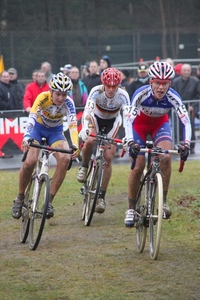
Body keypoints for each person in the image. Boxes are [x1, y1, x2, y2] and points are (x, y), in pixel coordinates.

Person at [123, 61, 191, 227]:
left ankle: (163, 201)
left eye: (165, 83)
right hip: (139, 126)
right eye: (158, 83)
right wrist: (131, 141)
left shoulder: (173, 96)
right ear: (150, 81)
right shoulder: (141, 93)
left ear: (170, 83)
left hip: (160, 125)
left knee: (166, 158)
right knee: (138, 167)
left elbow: (186, 122)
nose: (161, 88)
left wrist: (187, 144)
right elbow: (128, 119)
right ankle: (131, 208)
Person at [11, 72, 80, 220]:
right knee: (30, 161)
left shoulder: (69, 103)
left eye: (64, 94)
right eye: (58, 94)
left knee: (65, 158)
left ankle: (48, 201)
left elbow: (73, 126)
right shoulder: (42, 98)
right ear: (51, 91)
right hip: (37, 129)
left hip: (55, 132)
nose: (61, 98)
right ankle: (20, 198)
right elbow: (32, 118)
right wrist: (27, 136)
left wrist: (75, 145)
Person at [77, 67, 131, 214]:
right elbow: (87, 111)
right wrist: (84, 128)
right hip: (96, 119)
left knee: (107, 157)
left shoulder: (123, 95)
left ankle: (101, 196)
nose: (111, 89)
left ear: (119, 85)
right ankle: (84, 165)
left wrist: (128, 137)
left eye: (114, 86)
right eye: (109, 86)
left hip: (113, 122)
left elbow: (127, 118)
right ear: (103, 84)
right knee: (89, 141)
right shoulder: (96, 91)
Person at [172, 63, 200, 154]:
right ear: (181, 71)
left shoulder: (195, 81)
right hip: (178, 107)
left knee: (190, 126)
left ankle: (190, 146)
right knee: (177, 126)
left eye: (188, 70)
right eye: (185, 70)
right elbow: (173, 94)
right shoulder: (175, 81)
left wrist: (192, 105)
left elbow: (198, 94)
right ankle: (178, 144)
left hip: (190, 108)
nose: (186, 72)